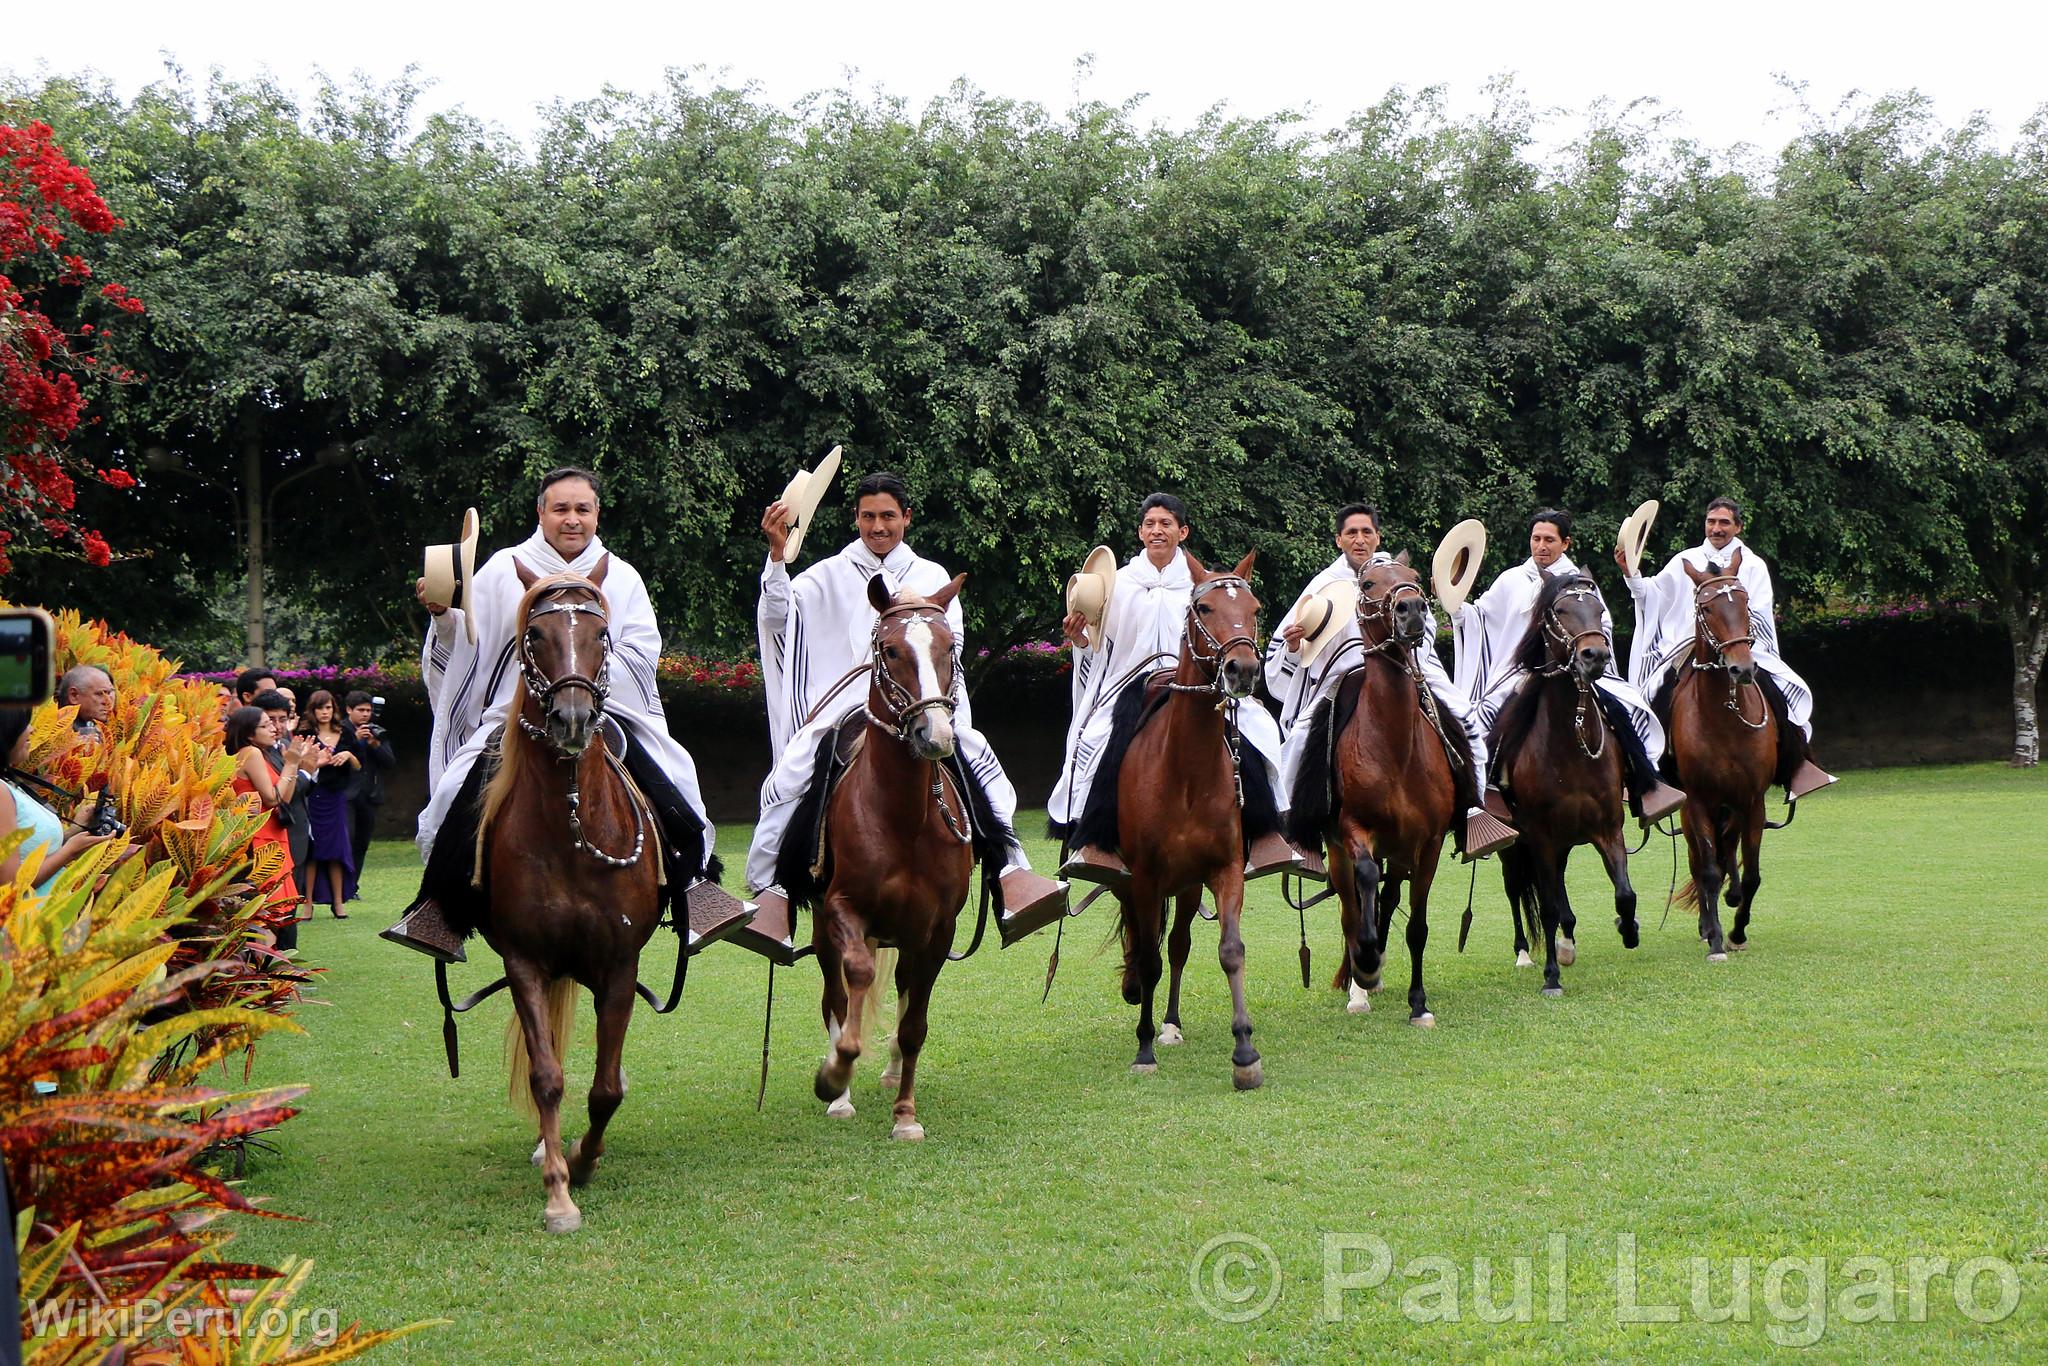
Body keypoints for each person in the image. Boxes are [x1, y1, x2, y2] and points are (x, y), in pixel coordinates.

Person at [384, 467, 742, 963]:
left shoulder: (623, 576)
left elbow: (642, 652)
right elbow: (469, 647)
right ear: (541, 513)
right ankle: (440, 909)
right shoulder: (500, 569)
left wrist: (585, 679)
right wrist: (443, 616)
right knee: (455, 791)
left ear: (596, 514)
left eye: (582, 509)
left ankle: (694, 891)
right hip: (516, 716)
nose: (572, 520)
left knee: (674, 778)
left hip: (604, 712)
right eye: (561, 509)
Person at [745, 468, 1067, 953]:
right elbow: (777, 619)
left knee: (979, 760)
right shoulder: (823, 576)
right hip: (848, 704)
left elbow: (948, 645)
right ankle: (774, 890)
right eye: (868, 516)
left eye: (888, 516)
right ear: (855, 518)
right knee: (792, 773)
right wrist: (775, 559)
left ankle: (1011, 872)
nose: (878, 526)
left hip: (923, 699)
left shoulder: (931, 576)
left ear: (907, 518)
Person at [1048, 492, 1293, 880]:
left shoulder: (1203, 585)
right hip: (1132, 684)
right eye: (1150, 524)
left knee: (1255, 728)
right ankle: (1095, 841)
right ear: (1140, 532)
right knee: (1095, 739)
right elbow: (1101, 651)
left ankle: (1265, 834)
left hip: (1199, 684)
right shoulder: (1120, 584)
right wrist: (1080, 640)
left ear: (1183, 531)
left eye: (1166, 524)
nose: (1157, 530)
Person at [1266, 503, 1516, 858]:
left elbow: (1425, 624)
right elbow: (1296, 646)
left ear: (1377, 537)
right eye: (1351, 533)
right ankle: (1297, 832)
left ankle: (1473, 811)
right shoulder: (1323, 585)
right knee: (1301, 736)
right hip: (1343, 674)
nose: (1360, 539)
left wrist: (1406, 643)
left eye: (1366, 532)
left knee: (1464, 717)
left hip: (1405, 667)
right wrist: (1294, 646)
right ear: (1339, 539)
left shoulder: (1397, 575)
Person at [1452, 509, 1684, 822]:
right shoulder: (1511, 580)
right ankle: (1489, 795)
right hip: (1521, 674)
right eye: (1536, 539)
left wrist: (1584, 655)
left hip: (1577, 672)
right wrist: (1454, 601)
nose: (1541, 546)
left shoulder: (1580, 582)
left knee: (1622, 709)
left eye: (1549, 539)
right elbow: (1480, 619)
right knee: (1488, 718)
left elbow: (1602, 625)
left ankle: (1644, 783)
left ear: (1566, 543)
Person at [1617, 497, 1837, 800]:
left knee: (1780, 694)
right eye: (1711, 521)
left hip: (1742, 648)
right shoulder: (1686, 560)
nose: (1716, 528)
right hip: (1689, 649)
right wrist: (1632, 574)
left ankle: (1799, 766)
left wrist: (1734, 634)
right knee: (1655, 697)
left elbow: (1759, 612)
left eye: (1724, 522)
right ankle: (1648, 776)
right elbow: (1653, 597)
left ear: (1738, 526)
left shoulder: (1754, 565)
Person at [227, 704, 318, 950]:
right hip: (261, 839)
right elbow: (271, 798)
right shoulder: (250, 753)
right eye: (266, 725)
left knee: (279, 911)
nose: (274, 729)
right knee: (268, 913)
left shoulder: (263, 754)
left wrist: (294, 763)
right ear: (249, 733)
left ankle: (280, 975)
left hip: (275, 835)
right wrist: (291, 764)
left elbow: (284, 799)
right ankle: (272, 973)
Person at [0, 707, 118, 893]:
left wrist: (72, 832)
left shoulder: (7, 781)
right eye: (23, 724)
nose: (32, 729)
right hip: (28, 920)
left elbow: (28, 852)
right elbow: (10, 885)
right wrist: (69, 852)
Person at [295, 689, 361, 919]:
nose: (325, 712)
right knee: (312, 851)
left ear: (334, 709)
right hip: (312, 796)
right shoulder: (305, 734)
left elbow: (359, 764)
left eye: (328, 707)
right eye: (320, 708)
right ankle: (307, 903)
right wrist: (318, 763)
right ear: (312, 711)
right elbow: (298, 765)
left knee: (336, 850)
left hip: (335, 798)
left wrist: (348, 756)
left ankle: (338, 901)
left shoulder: (345, 733)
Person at [342, 690, 393, 896]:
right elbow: (337, 757)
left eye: (368, 710)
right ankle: (340, 887)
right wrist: (355, 740)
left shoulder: (376, 731)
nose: (365, 714)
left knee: (361, 842)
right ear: (349, 710)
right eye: (360, 710)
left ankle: (352, 886)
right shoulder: (341, 730)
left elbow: (390, 761)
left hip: (369, 794)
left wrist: (374, 743)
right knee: (347, 839)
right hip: (345, 794)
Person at [59, 664, 116, 743]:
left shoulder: (114, 727)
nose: (107, 702)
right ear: (74, 696)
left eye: (110, 692)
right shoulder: (54, 733)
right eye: (100, 694)